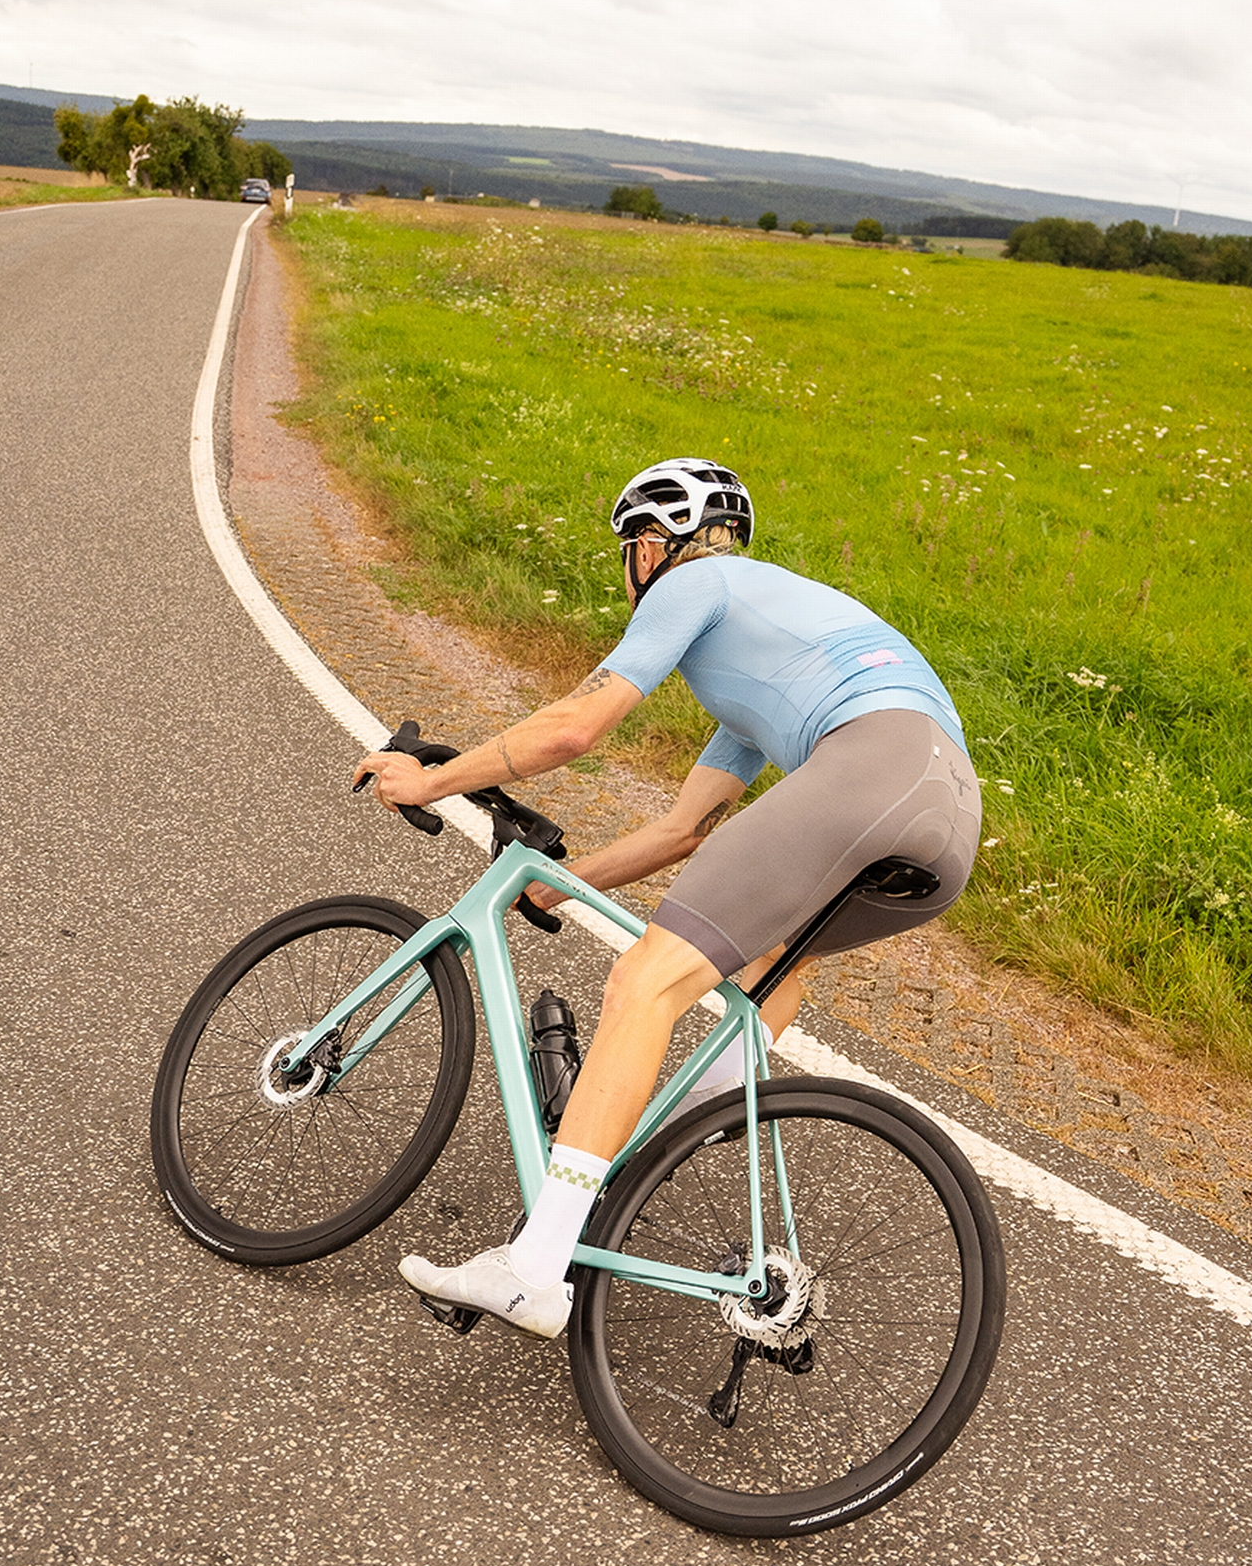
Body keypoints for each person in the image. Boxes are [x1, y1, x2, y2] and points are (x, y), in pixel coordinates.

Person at [351, 456, 982, 1337]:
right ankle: (652, 1147)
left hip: (870, 766)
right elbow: (684, 830)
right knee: (769, 959)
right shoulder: (769, 653)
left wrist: (429, 781)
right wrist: (562, 891)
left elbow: (574, 728)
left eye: (630, 550)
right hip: (948, 815)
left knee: (645, 981)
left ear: (651, 545)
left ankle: (535, 1267)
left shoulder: (696, 583)